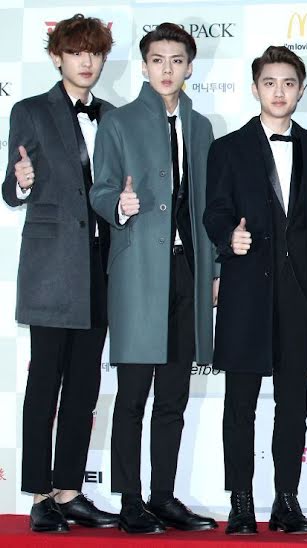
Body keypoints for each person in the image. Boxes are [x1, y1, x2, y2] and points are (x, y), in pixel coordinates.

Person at [89, 22, 217, 535]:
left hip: (188, 270)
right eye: (158, 60)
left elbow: (208, 207)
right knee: (133, 395)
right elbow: (99, 189)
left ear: (189, 67)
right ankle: (130, 501)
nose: (167, 69)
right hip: (138, 271)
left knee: (173, 397)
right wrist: (118, 205)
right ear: (144, 67)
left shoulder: (201, 126)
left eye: (177, 60)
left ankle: (163, 497)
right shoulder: (118, 123)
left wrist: (214, 270)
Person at [1, 13, 119, 533]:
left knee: (85, 385)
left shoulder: (113, 116)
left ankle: (70, 491)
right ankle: (39, 495)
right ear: (57, 57)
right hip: (52, 268)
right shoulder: (30, 110)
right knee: (44, 382)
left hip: (102, 266)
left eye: (94, 52)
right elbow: (11, 189)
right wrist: (21, 181)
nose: (86, 61)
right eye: (75, 52)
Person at [203, 45, 307, 536]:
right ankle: (241, 502)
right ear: (255, 88)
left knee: (293, 404)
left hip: (300, 295)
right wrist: (227, 238)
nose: (279, 91)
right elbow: (213, 211)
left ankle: (287, 501)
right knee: (240, 404)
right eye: (270, 82)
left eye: (288, 83)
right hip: (246, 292)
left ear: (301, 90)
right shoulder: (227, 148)